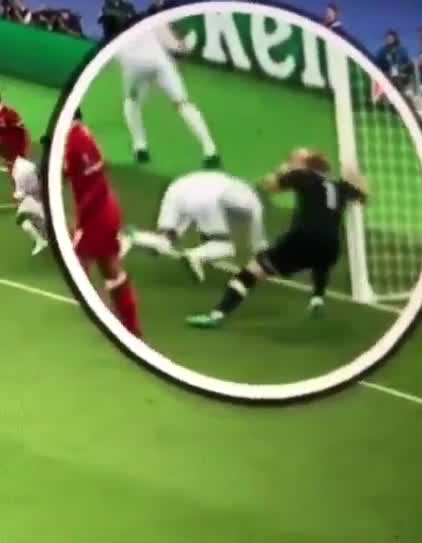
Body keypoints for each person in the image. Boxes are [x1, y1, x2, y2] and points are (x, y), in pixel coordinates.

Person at [186, 149, 368, 328]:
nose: (292, 161)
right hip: (332, 246)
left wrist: (282, 170)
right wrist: (353, 176)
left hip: (303, 240)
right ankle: (317, 298)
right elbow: (363, 195)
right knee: (321, 257)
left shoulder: (302, 175)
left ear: (306, 165)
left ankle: (216, 315)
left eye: (295, 159)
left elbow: (270, 186)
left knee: (250, 273)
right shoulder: (339, 187)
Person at [58, 112, 143, 336]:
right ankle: (129, 326)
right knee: (107, 268)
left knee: (84, 265)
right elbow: (100, 164)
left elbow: (82, 177)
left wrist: (80, 222)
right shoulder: (81, 135)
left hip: (96, 214)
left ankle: (119, 322)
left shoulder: (74, 141)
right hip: (104, 209)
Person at [127, 170, 267, 283]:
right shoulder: (252, 206)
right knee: (227, 244)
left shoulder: (232, 183)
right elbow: (258, 243)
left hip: (176, 189)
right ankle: (196, 255)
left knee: (165, 240)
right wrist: (264, 263)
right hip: (207, 199)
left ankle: (133, 236)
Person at [117, 22, 220, 168]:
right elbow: (176, 46)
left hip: (132, 66)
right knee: (182, 103)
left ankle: (140, 147)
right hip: (158, 62)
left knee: (132, 100)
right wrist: (187, 44)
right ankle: (210, 150)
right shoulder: (151, 22)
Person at [0, 90, 30, 199]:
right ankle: (21, 186)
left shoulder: (10, 113)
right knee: (9, 166)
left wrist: (23, 147)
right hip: (4, 144)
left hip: (17, 144)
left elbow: (23, 129)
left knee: (17, 168)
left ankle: (22, 190)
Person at [11, 155, 49, 255]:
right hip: (39, 196)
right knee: (26, 219)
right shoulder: (25, 167)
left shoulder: (20, 173)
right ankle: (43, 237)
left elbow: (20, 194)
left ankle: (42, 240)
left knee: (24, 219)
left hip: (38, 198)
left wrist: (16, 199)